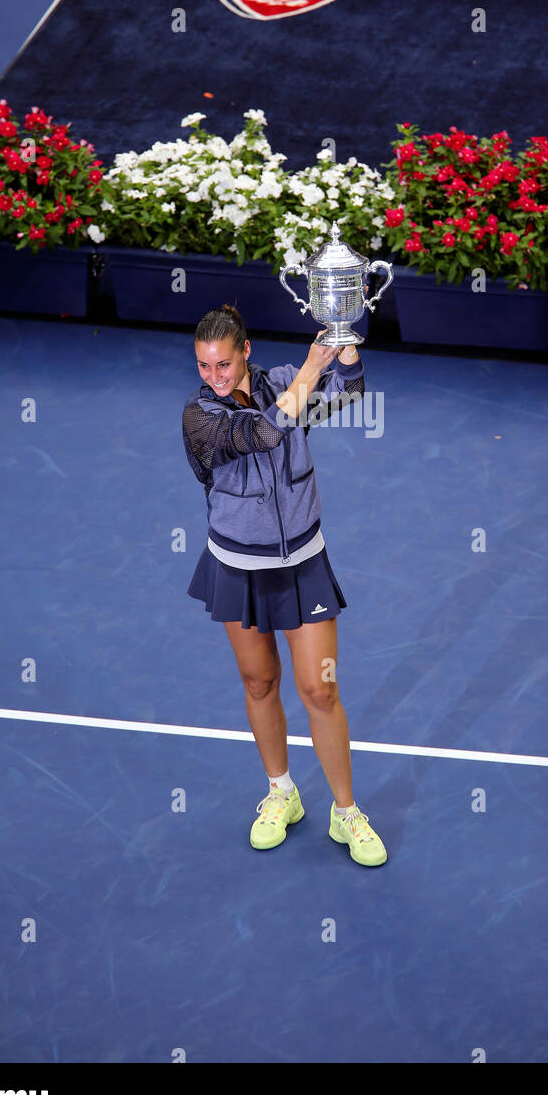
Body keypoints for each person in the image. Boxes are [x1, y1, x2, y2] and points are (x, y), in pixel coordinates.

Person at [182, 302, 387, 867]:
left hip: (302, 562)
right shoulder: (199, 418)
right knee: (258, 682)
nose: (214, 377)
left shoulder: (277, 381)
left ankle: (346, 812)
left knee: (320, 690)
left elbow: (346, 396)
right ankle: (282, 792)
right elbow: (269, 431)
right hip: (236, 567)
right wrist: (310, 367)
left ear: (245, 352)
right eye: (204, 366)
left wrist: (343, 352)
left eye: (223, 364)